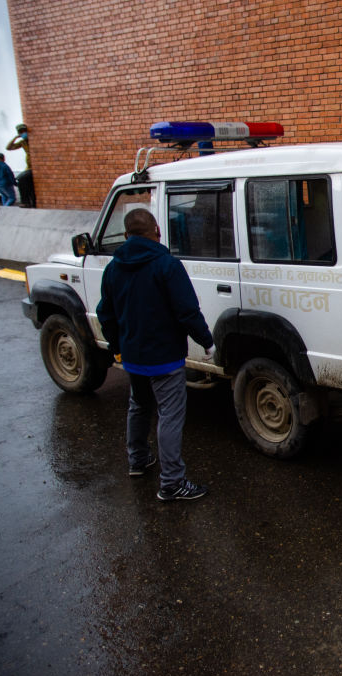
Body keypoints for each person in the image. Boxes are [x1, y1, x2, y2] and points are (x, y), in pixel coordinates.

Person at [96, 208, 214, 501]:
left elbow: (105, 313)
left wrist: (117, 347)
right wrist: (206, 341)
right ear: (157, 231)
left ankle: (138, 460)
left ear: (126, 236)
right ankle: (172, 482)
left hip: (133, 357)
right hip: (165, 356)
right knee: (170, 415)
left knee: (138, 405)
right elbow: (187, 311)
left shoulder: (113, 268)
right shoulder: (167, 265)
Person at [6, 123, 36, 208]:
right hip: (29, 166)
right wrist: (15, 138)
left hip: (35, 167)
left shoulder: (33, 140)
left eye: (24, 131)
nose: (23, 133)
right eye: (21, 132)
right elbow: (8, 148)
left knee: (22, 178)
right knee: (23, 181)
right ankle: (27, 202)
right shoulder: (22, 142)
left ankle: (26, 202)